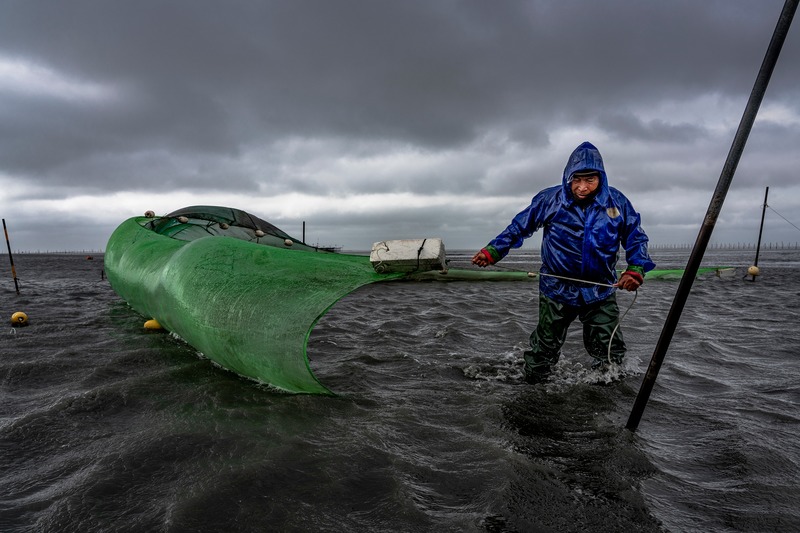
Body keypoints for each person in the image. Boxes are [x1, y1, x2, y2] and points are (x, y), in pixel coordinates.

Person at [472, 141, 655, 383]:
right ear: (567, 177)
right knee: (544, 349)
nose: (582, 187)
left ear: (601, 178)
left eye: (590, 180)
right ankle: (532, 391)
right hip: (556, 289)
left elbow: (635, 236)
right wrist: (493, 251)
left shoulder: (617, 203)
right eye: (576, 180)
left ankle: (607, 398)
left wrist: (635, 269)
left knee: (610, 353)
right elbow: (519, 227)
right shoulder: (550, 200)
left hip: (600, 290)